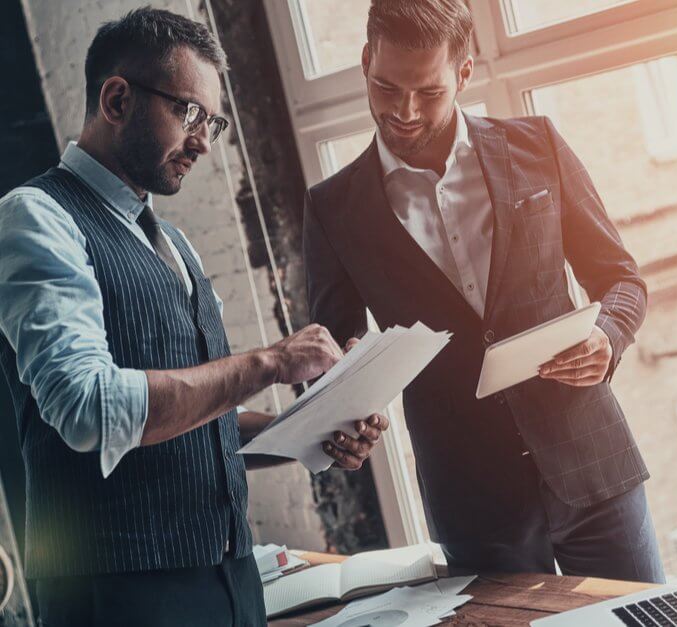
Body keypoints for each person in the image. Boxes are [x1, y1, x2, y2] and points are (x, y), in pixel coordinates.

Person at [0, 8, 388, 627]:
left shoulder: (175, 244)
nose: (205, 141)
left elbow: (196, 421)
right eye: (189, 113)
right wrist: (272, 361)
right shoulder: (36, 216)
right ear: (118, 98)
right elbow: (87, 407)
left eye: (215, 121)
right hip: (120, 597)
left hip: (228, 578)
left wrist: (307, 435)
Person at [303, 0, 664, 582]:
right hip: (472, 499)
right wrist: (341, 418)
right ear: (366, 60)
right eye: (386, 87)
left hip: (591, 463)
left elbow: (621, 278)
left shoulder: (538, 145)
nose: (404, 112)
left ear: (464, 74)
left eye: (429, 92)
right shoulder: (332, 209)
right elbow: (336, 359)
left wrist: (608, 333)